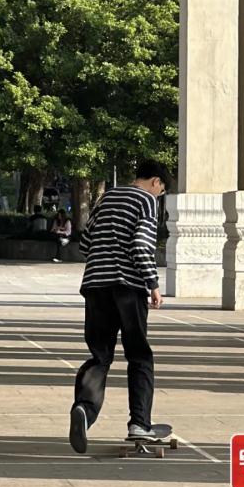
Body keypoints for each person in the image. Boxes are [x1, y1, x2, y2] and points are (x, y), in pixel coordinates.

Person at [68, 158, 171, 454]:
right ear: (156, 182)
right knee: (139, 355)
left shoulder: (107, 196)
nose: (159, 195)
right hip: (128, 287)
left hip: (96, 285)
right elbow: (140, 244)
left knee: (100, 356)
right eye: (161, 190)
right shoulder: (146, 201)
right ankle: (139, 423)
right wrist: (152, 283)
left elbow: (85, 243)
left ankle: (84, 411)